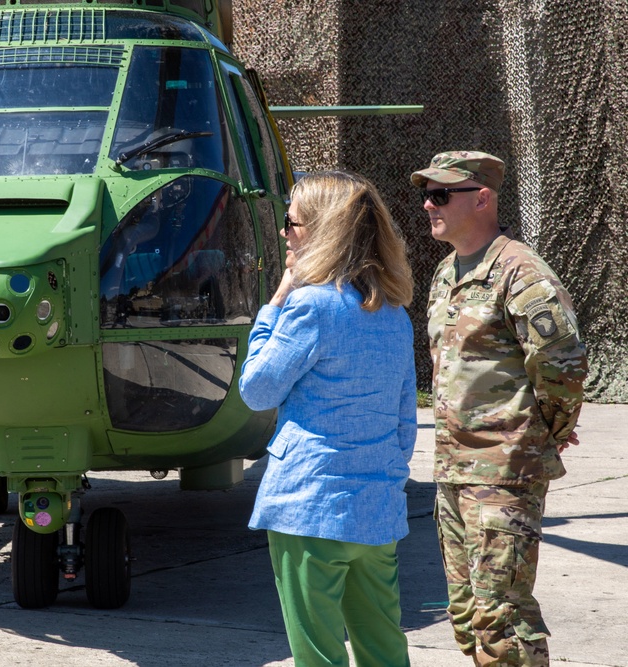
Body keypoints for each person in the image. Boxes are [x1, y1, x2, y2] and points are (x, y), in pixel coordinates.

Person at [413, 151, 589, 666]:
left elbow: (563, 362)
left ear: (482, 198)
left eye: (441, 194)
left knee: (502, 619)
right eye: (426, 194)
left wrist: (544, 434)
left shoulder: (519, 271)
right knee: (467, 616)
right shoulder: (448, 272)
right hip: (454, 468)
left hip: (504, 470)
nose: (428, 204)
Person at [239, 171, 417, 666]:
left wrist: (272, 305)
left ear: (321, 230)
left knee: (317, 654)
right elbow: (406, 424)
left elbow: (256, 390)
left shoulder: (309, 308)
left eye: (291, 223)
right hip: (377, 509)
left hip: (310, 507)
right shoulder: (393, 314)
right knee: (384, 649)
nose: (283, 233)